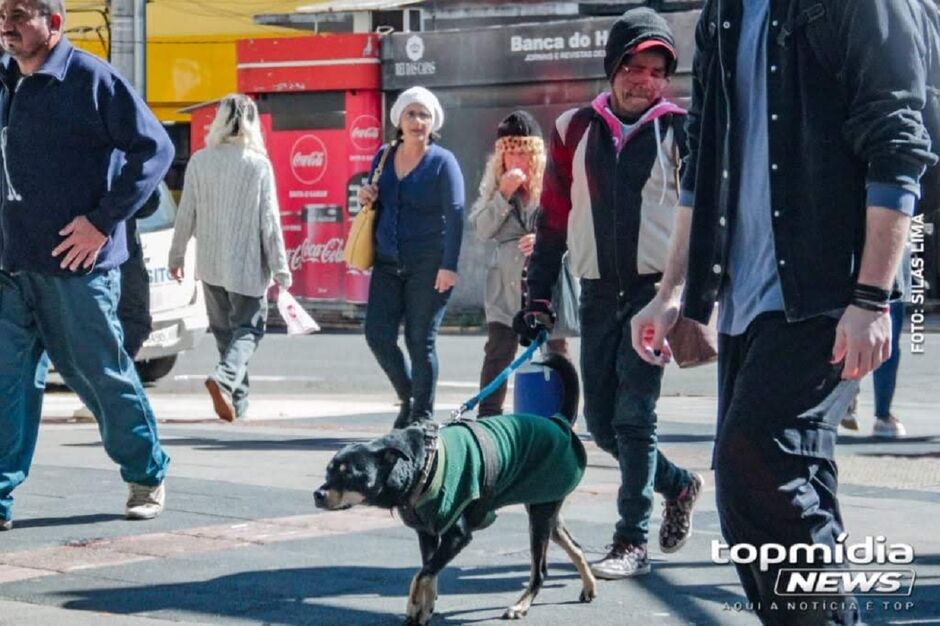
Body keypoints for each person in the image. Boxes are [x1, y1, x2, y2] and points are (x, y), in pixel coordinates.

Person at [631, 0, 934, 622]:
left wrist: (872, 296)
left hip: (826, 289)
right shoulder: (723, 11)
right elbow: (703, 155)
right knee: (767, 495)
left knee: (760, 463)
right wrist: (673, 291)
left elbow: (898, 140)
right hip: (746, 294)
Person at [514, 8, 703, 580]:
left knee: (634, 418)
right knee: (599, 425)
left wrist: (690, 296)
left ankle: (630, 539)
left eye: (656, 69)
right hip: (595, 293)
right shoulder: (573, 128)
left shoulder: (682, 129)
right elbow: (551, 221)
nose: (644, 79)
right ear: (612, 66)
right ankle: (678, 483)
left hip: (654, 295)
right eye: (633, 65)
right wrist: (538, 299)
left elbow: (705, 220)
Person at [0, 0, 174, 530]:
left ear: (55, 23)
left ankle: (146, 472)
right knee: (7, 384)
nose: (6, 23)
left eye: (20, 13)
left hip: (79, 268)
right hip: (12, 264)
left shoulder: (91, 79)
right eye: (2, 12)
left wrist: (102, 222)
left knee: (99, 376)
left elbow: (156, 150)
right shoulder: (5, 79)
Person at [169, 93, 291, 423]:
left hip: (210, 264)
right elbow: (270, 221)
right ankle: (225, 382)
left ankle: (238, 403)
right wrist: (281, 268)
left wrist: (176, 255)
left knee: (226, 334)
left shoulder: (200, 160)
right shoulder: (257, 165)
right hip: (248, 266)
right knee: (249, 330)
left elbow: (186, 213)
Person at [358, 86, 464, 429]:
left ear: (433, 122)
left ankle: (422, 415)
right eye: (411, 114)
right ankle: (408, 396)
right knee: (377, 334)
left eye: (425, 115)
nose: (418, 121)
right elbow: (375, 199)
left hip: (429, 265)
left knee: (420, 339)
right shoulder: (384, 156)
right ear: (399, 120)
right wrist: (367, 195)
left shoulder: (442, 161)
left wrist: (449, 266)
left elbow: (457, 212)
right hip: (388, 263)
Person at [469, 110, 569, 418]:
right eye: (509, 154)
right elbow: (482, 230)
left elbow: (573, 229)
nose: (516, 161)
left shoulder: (552, 186)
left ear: (535, 156)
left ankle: (564, 415)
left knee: (556, 349)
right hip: (505, 287)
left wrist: (542, 241)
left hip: (545, 282)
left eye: (523, 153)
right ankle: (488, 416)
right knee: (498, 351)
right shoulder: (495, 190)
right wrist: (503, 194)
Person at [841, 247, 912, 438]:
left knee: (846, 330)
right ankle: (881, 415)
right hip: (888, 260)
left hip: (851, 254)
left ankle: (846, 395)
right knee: (886, 338)